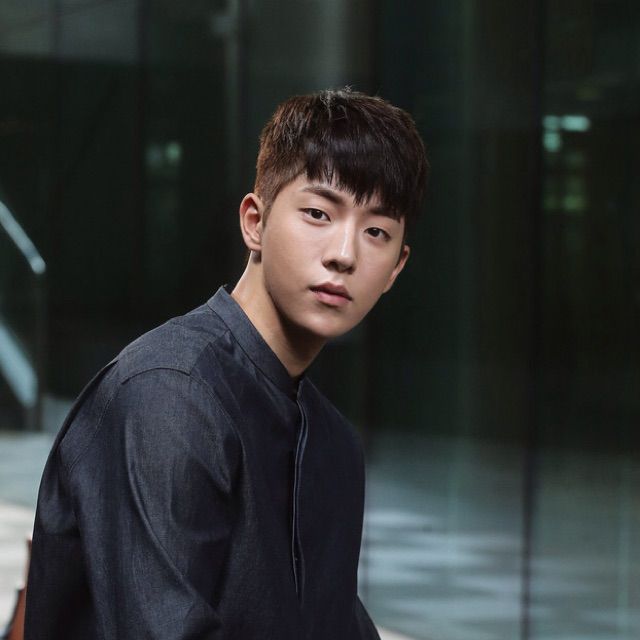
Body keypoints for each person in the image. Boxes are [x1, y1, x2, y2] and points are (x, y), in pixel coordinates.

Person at [25, 88, 428, 639]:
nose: (344, 254)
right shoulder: (168, 396)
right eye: (318, 213)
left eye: (376, 231)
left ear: (396, 268)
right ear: (255, 222)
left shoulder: (333, 444)